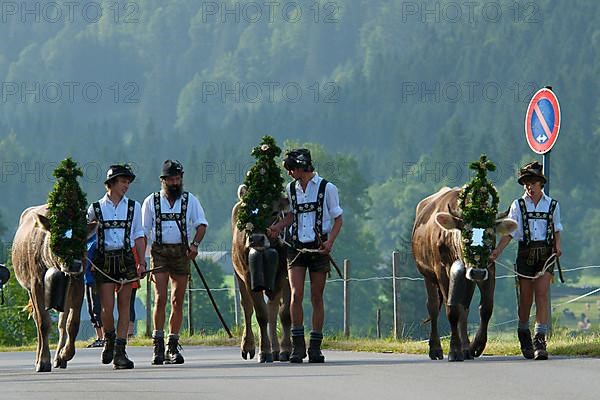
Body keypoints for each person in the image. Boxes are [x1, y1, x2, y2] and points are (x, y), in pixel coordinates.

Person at [268, 149, 343, 363]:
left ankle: (316, 347)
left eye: (292, 169)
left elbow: (338, 219)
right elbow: (290, 217)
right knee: (296, 294)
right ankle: (298, 347)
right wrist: (276, 228)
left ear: (303, 167)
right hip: (296, 248)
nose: (290, 173)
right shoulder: (289, 189)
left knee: (317, 297)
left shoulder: (327, 188)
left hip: (319, 249)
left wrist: (330, 242)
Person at [490, 161, 562, 360]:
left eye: (533, 182)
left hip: (546, 255)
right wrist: (497, 251)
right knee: (525, 298)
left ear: (541, 184)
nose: (529, 187)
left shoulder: (552, 205)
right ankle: (523, 333)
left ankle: (540, 339)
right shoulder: (518, 205)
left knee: (542, 294)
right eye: (526, 183)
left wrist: (558, 246)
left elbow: (557, 228)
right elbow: (510, 232)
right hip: (525, 254)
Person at [142, 160, 208, 365]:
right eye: (171, 179)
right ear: (163, 180)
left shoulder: (190, 200)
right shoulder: (151, 201)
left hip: (182, 251)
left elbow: (201, 224)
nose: (175, 182)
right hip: (160, 252)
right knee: (160, 298)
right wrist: (141, 260)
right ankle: (158, 344)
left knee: (178, 300)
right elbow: (143, 232)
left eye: (178, 179)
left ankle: (172, 344)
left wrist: (195, 245)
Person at [87, 164, 147, 369]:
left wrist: (142, 261)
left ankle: (120, 352)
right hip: (104, 260)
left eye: (128, 182)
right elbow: (85, 233)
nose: (126, 186)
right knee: (106, 308)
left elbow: (138, 235)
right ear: (111, 184)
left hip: (126, 258)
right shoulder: (95, 208)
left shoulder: (134, 207)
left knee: (125, 307)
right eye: (123, 181)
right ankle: (110, 338)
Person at [84, 233, 104, 348]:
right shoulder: (86, 241)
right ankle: (99, 336)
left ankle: (103, 336)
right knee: (91, 308)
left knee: (98, 307)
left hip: (95, 279)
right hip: (88, 279)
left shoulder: (96, 242)